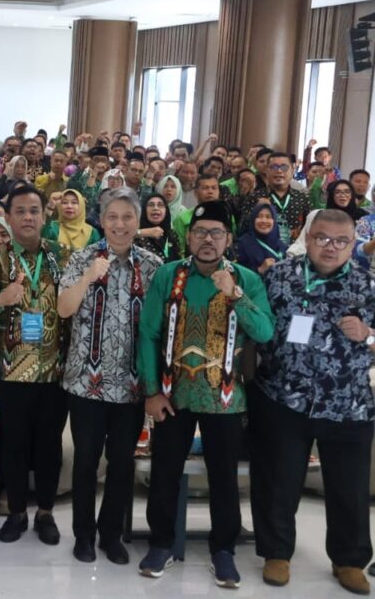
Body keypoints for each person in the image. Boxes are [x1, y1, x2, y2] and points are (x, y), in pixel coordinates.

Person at [136, 200, 275, 588]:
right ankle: (161, 543)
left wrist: (236, 296)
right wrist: (152, 391)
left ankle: (223, 550)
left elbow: (265, 332)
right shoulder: (169, 275)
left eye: (216, 233)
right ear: (189, 237)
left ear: (228, 238)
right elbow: (148, 333)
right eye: (200, 232)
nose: (208, 240)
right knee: (164, 471)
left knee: (224, 478)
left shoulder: (246, 279)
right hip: (173, 395)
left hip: (225, 399)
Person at [252, 209, 375, 594]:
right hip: (283, 396)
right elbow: (256, 327)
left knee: (349, 488)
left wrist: (368, 333)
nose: (330, 247)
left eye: (341, 241)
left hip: (348, 403)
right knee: (278, 481)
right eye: (322, 238)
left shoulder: (368, 283)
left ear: (353, 244)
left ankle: (349, 560)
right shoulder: (279, 276)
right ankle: (276, 553)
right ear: (307, 238)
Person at [57, 188, 162, 565]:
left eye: (127, 217)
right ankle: (83, 535)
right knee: (86, 461)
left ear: (138, 221)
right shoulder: (82, 257)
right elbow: (64, 309)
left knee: (121, 463)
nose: (120, 224)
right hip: (86, 383)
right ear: (101, 221)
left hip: (131, 386)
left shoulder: (152, 265)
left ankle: (111, 535)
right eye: (113, 217)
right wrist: (88, 277)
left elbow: (159, 325)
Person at [0, 184, 70, 546]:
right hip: (12, 371)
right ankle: (16, 512)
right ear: (9, 218)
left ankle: (45, 512)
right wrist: (1, 297)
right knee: (13, 444)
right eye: (21, 211)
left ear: (44, 217)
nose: (28, 217)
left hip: (55, 371)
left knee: (49, 446)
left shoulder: (61, 255)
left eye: (34, 211)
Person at [236, 203, 287, 274]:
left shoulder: (282, 246)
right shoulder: (243, 244)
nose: (264, 220)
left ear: (274, 221)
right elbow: (237, 274)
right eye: (259, 216)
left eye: (268, 217)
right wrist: (259, 270)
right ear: (253, 219)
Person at [135, 192, 180, 261]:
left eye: (160, 205)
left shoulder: (171, 234)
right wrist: (145, 232)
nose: (155, 208)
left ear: (166, 210)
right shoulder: (137, 236)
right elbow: (121, 237)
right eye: (151, 205)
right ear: (144, 210)